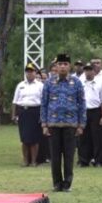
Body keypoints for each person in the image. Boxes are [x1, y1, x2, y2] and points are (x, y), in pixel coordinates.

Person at [40, 53, 85, 192]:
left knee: (69, 156)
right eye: (60, 64)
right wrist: (44, 124)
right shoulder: (49, 83)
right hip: (53, 124)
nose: (63, 67)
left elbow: (82, 103)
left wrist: (81, 124)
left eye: (65, 64)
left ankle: (67, 183)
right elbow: (44, 104)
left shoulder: (76, 82)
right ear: (56, 66)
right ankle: (56, 183)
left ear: (69, 66)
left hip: (70, 124)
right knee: (55, 156)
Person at [11, 63, 44, 167]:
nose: (29, 73)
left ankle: (34, 161)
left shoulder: (40, 85)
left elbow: (44, 102)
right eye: (27, 71)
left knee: (34, 139)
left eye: (31, 71)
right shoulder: (20, 85)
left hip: (35, 111)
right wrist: (14, 114)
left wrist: (42, 116)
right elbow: (15, 101)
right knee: (24, 138)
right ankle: (25, 160)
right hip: (23, 111)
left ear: (35, 73)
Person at [81, 62, 102, 167]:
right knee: (84, 137)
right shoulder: (80, 83)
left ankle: (98, 159)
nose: (88, 72)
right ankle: (84, 160)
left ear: (94, 71)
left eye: (90, 70)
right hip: (84, 111)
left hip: (96, 111)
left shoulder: (100, 83)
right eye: (86, 70)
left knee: (97, 137)